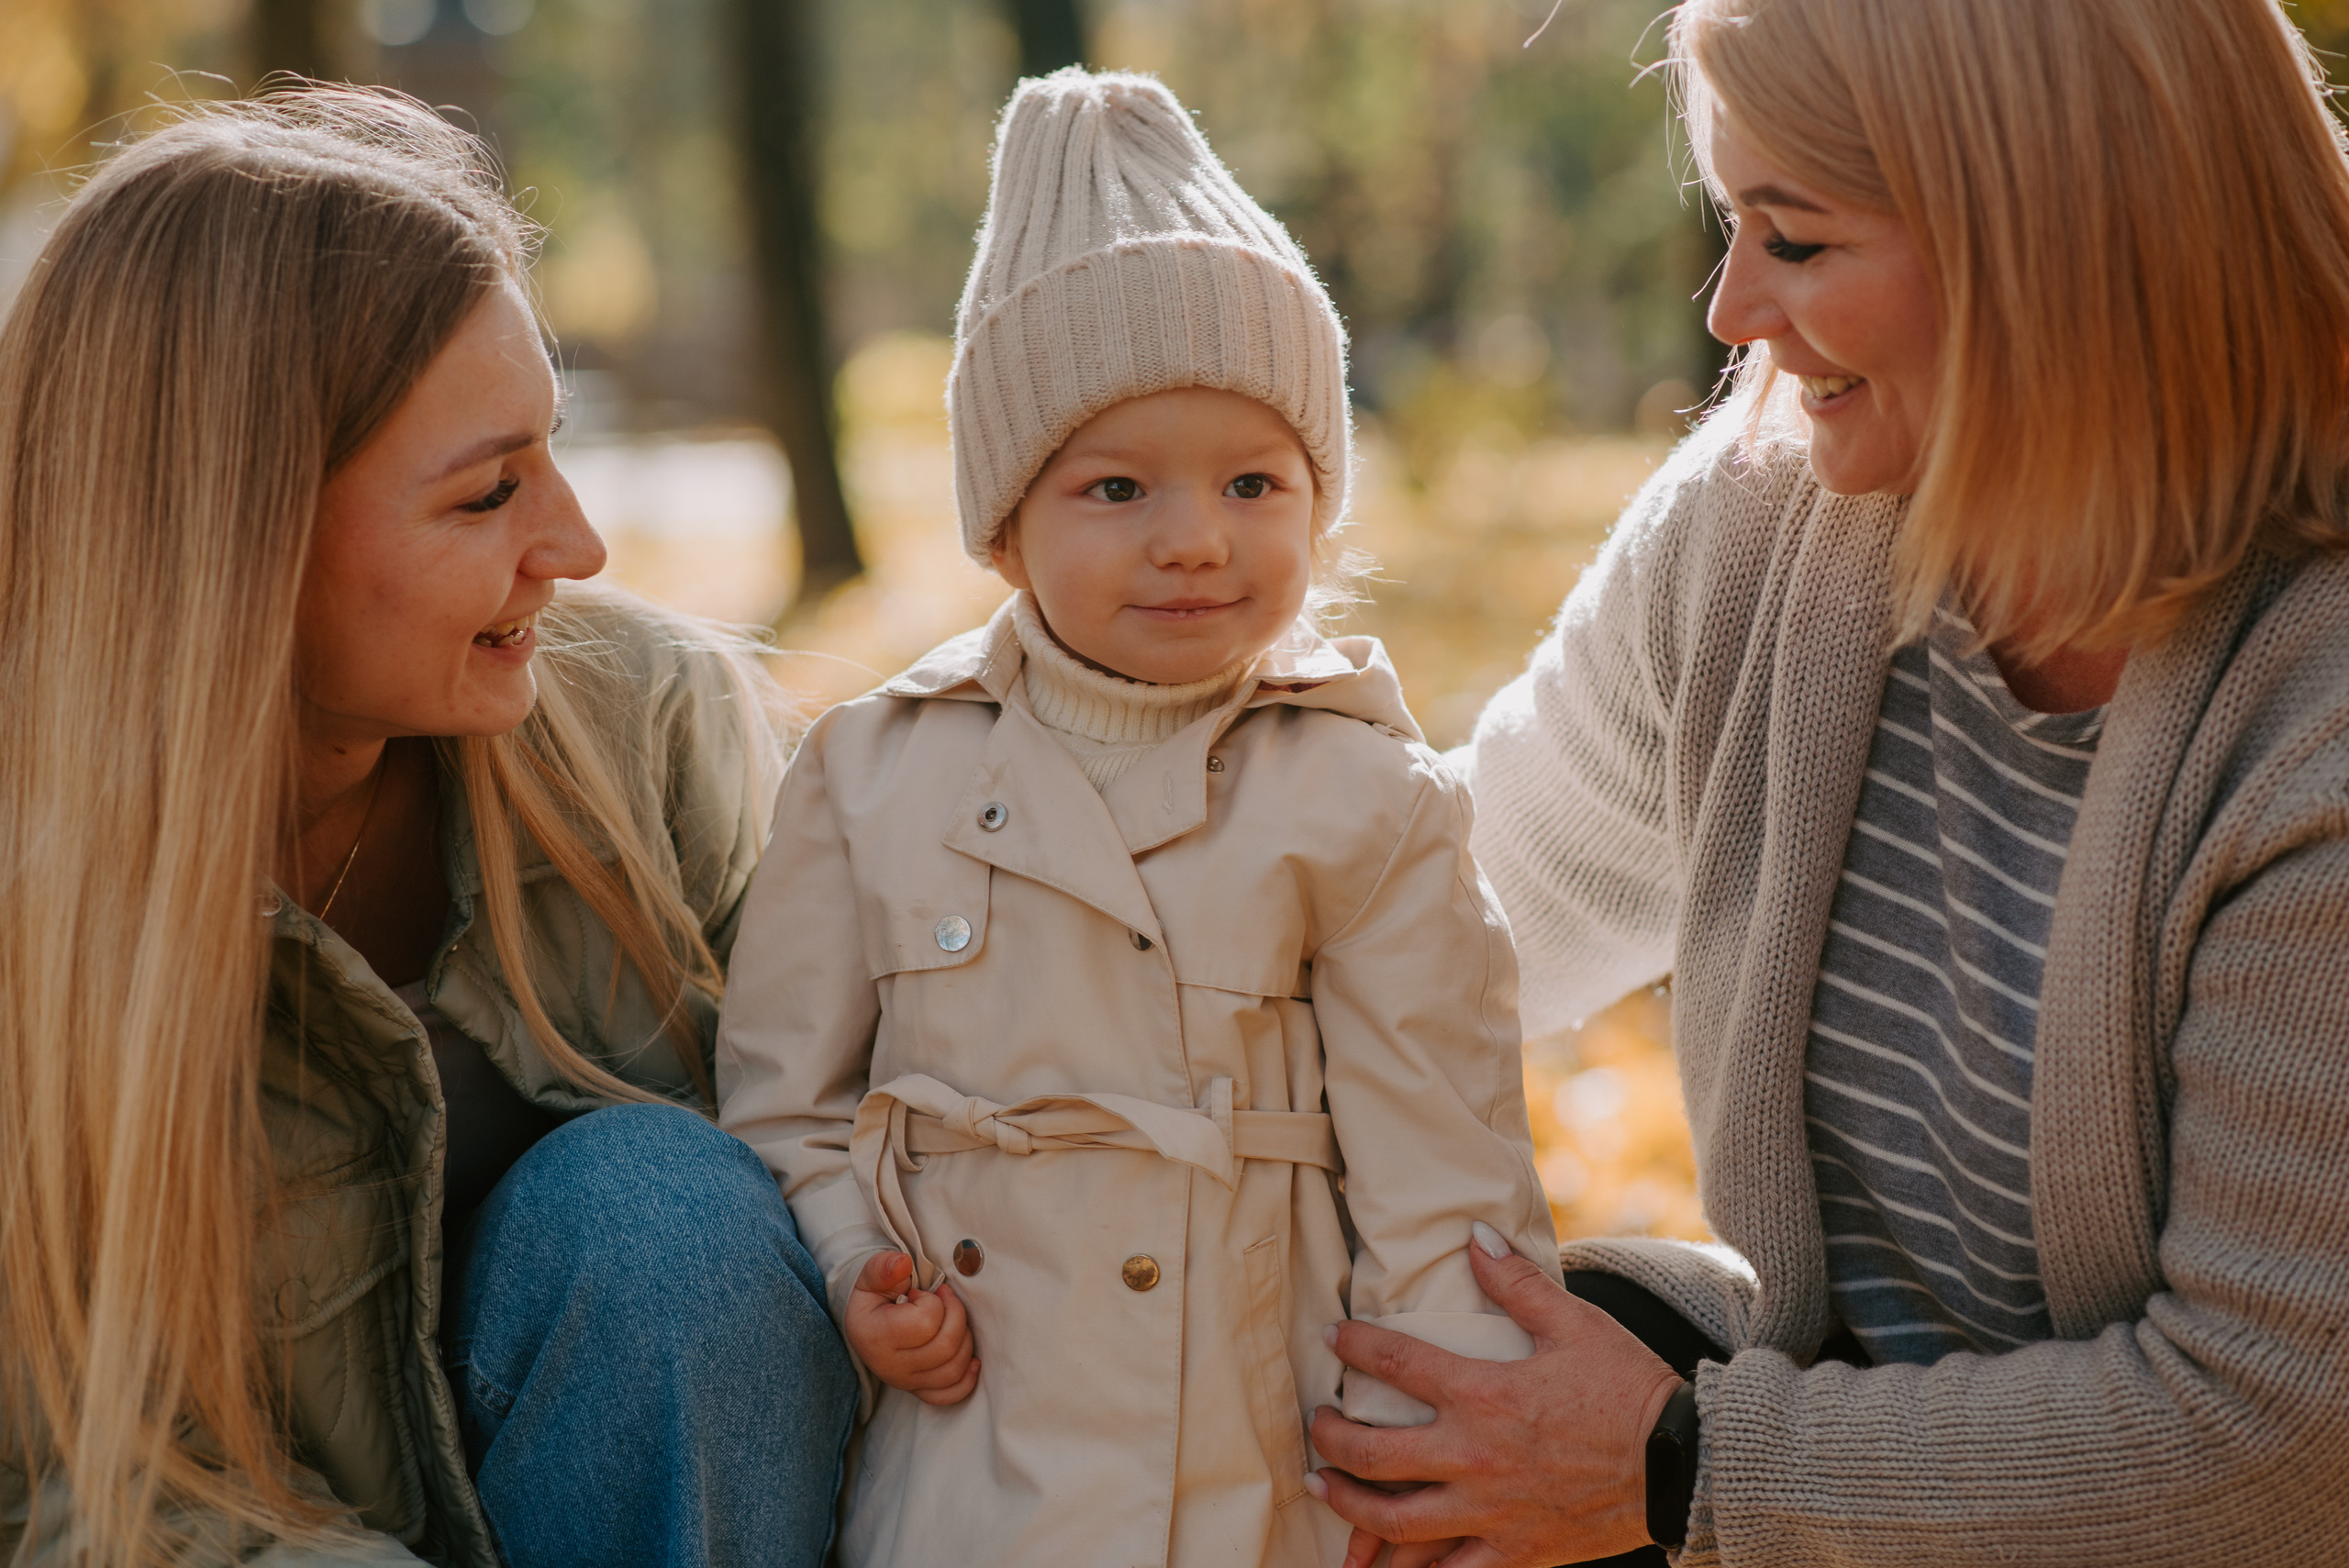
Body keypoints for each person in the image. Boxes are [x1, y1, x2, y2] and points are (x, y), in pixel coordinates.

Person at [1303, 0, 2349, 1563]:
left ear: (2042, 244)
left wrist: (1683, 1466)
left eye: (1793, 239)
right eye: (1733, 223)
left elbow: (2278, 1446)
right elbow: (1442, 918)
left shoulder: (2311, 721)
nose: (1732, 311)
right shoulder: (1764, 526)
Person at [0, 90, 856, 1568]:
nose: (576, 545)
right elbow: (63, 1490)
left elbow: (898, 1171)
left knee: (663, 1213)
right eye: (488, 493)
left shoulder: (637, 725)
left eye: (553, 453)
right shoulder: (33, 890)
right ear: (239, 540)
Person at [716, 69, 1557, 1568]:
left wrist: (1433, 1481)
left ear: (1319, 499)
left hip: (1260, 1486)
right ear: (1005, 522)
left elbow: (1447, 1186)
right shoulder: (871, 772)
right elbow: (786, 1097)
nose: (1195, 539)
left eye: (1254, 481)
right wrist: (852, 1264)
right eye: (1116, 487)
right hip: (972, 1482)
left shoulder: (1363, 797)